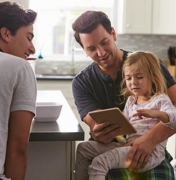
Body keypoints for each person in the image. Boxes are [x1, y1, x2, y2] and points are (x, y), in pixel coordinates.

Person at [72, 11, 176, 179]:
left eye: (104, 42)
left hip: (152, 148)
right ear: (83, 49)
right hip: (110, 149)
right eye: (91, 48)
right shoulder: (82, 82)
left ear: (113, 34)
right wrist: (99, 132)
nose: (101, 53)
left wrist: (150, 139)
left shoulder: (147, 64)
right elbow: (95, 125)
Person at [0, 1, 37, 180]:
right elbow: (18, 147)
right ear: (5, 33)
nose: (32, 48)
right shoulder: (18, 67)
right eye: (28, 37)